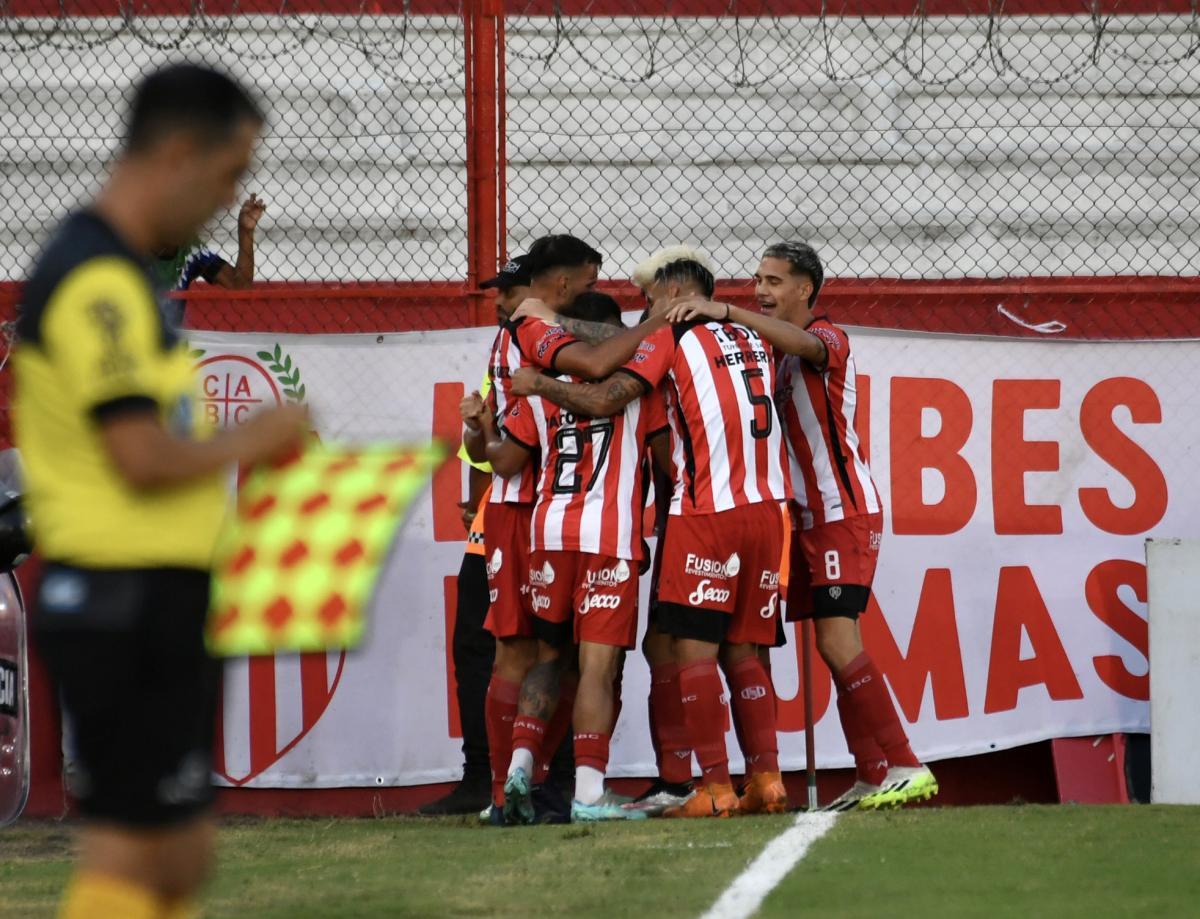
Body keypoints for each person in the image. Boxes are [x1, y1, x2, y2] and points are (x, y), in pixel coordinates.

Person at [13, 64, 308, 919]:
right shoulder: (98, 282)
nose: (228, 198)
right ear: (179, 152)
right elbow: (138, 453)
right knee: (134, 851)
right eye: (228, 175)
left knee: (177, 853)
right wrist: (254, 436)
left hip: (150, 590)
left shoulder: (119, 271)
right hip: (117, 591)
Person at [511, 250, 792, 819]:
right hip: (768, 511)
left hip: (703, 510)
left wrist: (538, 377)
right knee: (741, 648)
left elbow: (605, 392)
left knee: (687, 648)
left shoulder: (669, 337)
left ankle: (710, 788)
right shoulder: (757, 341)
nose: (644, 311)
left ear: (670, 296)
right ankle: (766, 778)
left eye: (650, 300)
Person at [667, 241, 938, 811]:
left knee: (840, 643)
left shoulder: (828, 338)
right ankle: (872, 771)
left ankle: (907, 762)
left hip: (843, 511)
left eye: (774, 281)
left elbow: (810, 345)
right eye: (757, 280)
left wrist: (728, 311)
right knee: (828, 647)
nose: (760, 290)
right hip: (801, 518)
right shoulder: (767, 350)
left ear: (805, 289)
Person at [461, 235, 668, 822]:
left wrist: (481, 430)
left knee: (545, 656)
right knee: (594, 663)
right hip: (602, 535)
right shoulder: (630, 376)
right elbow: (645, 440)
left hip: (545, 529)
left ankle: (515, 779)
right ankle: (585, 792)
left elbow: (504, 458)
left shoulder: (533, 378)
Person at [418, 256, 535, 818]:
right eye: (496, 293)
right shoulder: (502, 349)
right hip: (494, 519)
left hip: (540, 518)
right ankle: (480, 774)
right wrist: (475, 497)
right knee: (474, 645)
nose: (499, 302)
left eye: (508, 292)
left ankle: (538, 774)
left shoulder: (549, 347)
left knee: (536, 649)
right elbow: (481, 434)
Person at [152, 194, 265, 328]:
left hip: (166, 343)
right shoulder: (131, 247)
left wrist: (245, 231)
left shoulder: (191, 248)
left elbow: (240, 286)